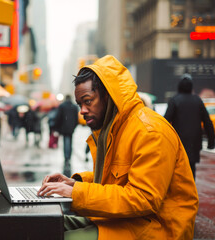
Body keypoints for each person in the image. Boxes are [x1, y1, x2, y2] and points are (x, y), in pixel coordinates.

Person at [38, 55, 198, 239]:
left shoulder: (150, 131)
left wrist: (76, 193)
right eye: (80, 104)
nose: (82, 110)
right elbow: (116, 180)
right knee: (44, 225)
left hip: (156, 230)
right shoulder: (115, 128)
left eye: (88, 101)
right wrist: (75, 183)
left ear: (108, 95)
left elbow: (142, 199)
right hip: (126, 221)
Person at [164, 74, 214, 180]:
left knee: (177, 169)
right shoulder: (198, 101)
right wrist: (211, 141)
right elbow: (207, 122)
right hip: (194, 142)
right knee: (191, 168)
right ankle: (191, 192)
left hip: (178, 141)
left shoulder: (174, 100)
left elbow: (165, 121)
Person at [54, 94, 78, 176]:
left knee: (65, 142)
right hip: (71, 128)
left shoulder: (62, 106)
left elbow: (58, 117)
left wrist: (57, 127)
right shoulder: (74, 106)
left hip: (64, 128)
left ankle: (66, 157)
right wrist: (74, 126)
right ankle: (68, 156)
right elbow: (76, 118)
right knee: (70, 142)